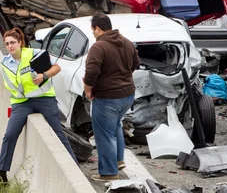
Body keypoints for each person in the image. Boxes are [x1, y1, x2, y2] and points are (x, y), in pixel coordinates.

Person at [0, 28, 77, 182]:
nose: (10, 46)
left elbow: (56, 68)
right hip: (22, 103)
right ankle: (2, 172)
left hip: (44, 99)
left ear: (20, 43)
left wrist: (44, 75)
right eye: (7, 43)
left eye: (13, 42)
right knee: (10, 135)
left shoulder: (34, 53)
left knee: (58, 134)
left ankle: (74, 168)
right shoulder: (4, 63)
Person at [84, 13, 139, 182]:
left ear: (98, 29)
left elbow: (92, 71)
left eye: (93, 29)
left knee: (104, 134)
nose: (93, 33)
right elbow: (136, 63)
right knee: (115, 125)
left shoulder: (98, 47)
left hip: (107, 97)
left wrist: (88, 89)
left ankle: (108, 172)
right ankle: (118, 160)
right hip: (127, 95)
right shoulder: (127, 42)